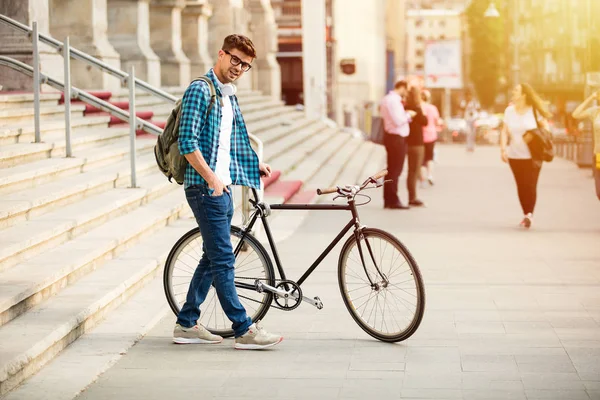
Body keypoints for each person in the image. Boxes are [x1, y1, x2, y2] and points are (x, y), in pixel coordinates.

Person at [175, 34, 283, 349]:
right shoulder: (200, 90)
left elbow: (235, 140)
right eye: (235, 59)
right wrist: (210, 179)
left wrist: (255, 166)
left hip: (222, 188)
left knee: (212, 257)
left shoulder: (228, 96)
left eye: (245, 65)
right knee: (224, 260)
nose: (238, 67)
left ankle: (186, 323)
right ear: (221, 54)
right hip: (205, 189)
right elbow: (187, 142)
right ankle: (243, 328)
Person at [500, 83, 552, 228]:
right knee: (521, 185)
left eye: (516, 90)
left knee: (530, 184)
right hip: (514, 155)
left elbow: (546, 129)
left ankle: (529, 214)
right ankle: (526, 213)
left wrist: (533, 135)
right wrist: (503, 149)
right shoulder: (509, 111)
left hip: (533, 156)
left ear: (523, 95)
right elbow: (504, 131)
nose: (513, 92)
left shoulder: (534, 111)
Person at [380, 80, 416, 209]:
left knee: (391, 170)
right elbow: (398, 120)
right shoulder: (394, 100)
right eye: (406, 90)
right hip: (396, 137)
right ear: (402, 87)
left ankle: (389, 199)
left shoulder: (386, 99)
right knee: (396, 170)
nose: (405, 93)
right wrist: (408, 115)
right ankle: (393, 199)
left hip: (391, 136)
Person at [572, 90, 600, 200]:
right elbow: (576, 114)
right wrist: (590, 98)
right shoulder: (596, 112)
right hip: (598, 156)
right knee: (599, 192)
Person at [405, 86, 428, 207]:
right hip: (417, 143)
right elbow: (425, 121)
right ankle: (412, 197)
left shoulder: (405, 107)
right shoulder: (417, 108)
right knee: (415, 171)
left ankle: (412, 196)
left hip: (408, 142)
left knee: (411, 171)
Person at [420, 90, 442, 186]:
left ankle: (422, 179)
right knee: (430, 157)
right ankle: (430, 175)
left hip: (420, 137)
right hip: (431, 136)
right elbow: (437, 121)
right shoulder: (432, 108)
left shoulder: (419, 107)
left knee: (421, 160)